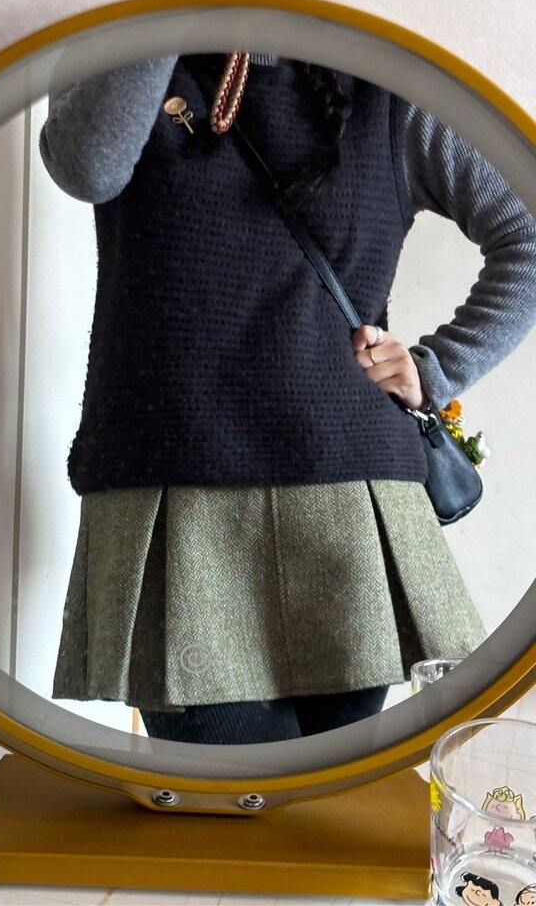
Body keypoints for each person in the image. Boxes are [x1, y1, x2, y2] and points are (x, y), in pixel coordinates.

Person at [38, 50, 536, 745]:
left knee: (326, 795)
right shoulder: (130, 52)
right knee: (225, 798)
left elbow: (526, 230)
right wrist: (167, 11)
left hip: (351, 498)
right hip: (175, 496)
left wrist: (436, 370)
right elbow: (87, 169)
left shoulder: (387, 93)